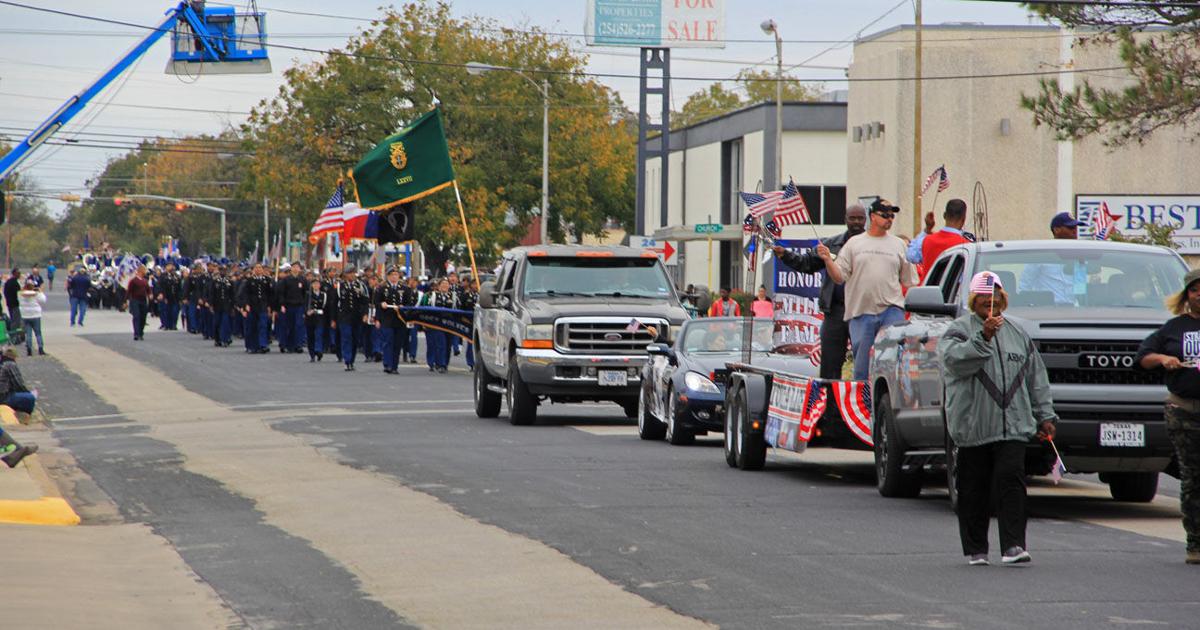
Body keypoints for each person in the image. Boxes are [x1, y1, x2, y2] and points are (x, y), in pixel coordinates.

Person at [939, 272, 1056, 566]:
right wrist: (983, 337)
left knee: (1011, 481)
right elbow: (954, 362)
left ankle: (1014, 546)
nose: (988, 301)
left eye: (994, 296)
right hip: (973, 425)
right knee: (974, 489)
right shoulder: (957, 331)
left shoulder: (1018, 334)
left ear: (1003, 299)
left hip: (1014, 425)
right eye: (982, 296)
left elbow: (1036, 378)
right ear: (972, 300)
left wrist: (1045, 415)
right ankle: (976, 549)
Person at [1134, 267, 1200, 565]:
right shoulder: (1173, 328)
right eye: (1195, 290)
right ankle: (1195, 543)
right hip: (1184, 411)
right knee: (1193, 477)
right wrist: (1163, 358)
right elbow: (1143, 358)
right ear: (1187, 295)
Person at [816, 199, 918, 380]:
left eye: (892, 215)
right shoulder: (854, 244)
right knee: (862, 367)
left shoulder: (899, 244)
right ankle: (864, 396)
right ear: (873, 217)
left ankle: (888, 395)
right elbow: (839, 276)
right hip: (861, 312)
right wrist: (828, 261)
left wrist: (912, 310)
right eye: (885, 215)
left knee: (892, 361)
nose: (889, 219)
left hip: (892, 310)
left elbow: (910, 281)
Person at [775, 203, 866, 381]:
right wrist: (785, 255)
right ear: (845, 219)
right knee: (830, 365)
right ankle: (830, 399)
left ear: (866, 220)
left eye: (860, 218)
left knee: (865, 363)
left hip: (864, 311)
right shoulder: (830, 245)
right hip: (836, 311)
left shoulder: (873, 246)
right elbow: (806, 263)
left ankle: (865, 398)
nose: (856, 222)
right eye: (852, 218)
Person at [1017, 212, 1083, 305]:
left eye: (1076, 228)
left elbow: (1080, 288)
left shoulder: (1078, 256)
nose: (1075, 231)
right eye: (1070, 228)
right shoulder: (1041, 255)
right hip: (1046, 309)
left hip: (1074, 309)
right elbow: (1025, 285)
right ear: (1056, 230)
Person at [917, 199, 971, 281]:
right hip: (951, 289)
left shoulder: (927, 240)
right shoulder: (966, 246)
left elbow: (910, 256)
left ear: (944, 215)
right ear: (963, 219)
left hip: (927, 288)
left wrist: (927, 230)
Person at [333, 267, 369, 371]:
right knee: (346, 337)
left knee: (355, 339)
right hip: (344, 316)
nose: (352, 275)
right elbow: (334, 303)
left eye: (353, 273)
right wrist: (333, 319)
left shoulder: (360, 286)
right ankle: (347, 360)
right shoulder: (340, 286)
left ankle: (352, 360)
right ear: (345, 274)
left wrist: (365, 314)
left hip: (356, 316)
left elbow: (365, 302)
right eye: (349, 273)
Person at [375, 268, 406, 374]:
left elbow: (409, 303)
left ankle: (394, 366)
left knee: (397, 343)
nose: (394, 276)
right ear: (388, 276)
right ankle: (387, 364)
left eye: (396, 274)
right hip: (387, 319)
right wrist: (381, 306)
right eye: (392, 274)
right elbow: (377, 303)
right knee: (388, 342)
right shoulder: (382, 289)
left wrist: (403, 307)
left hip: (399, 320)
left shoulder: (404, 289)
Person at [238, 263, 273, 354]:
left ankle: (263, 345)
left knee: (263, 326)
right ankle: (252, 346)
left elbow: (270, 294)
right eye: (256, 268)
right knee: (252, 326)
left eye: (260, 268)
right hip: (252, 306)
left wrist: (270, 306)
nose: (258, 269)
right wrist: (246, 304)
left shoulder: (267, 280)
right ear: (253, 270)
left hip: (263, 305)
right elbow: (245, 294)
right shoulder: (249, 281)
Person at [275, 263, 307, 354]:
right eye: (294, 267)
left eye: (297, 267)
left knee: (299, 326)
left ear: (300, 269)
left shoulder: (303, 280)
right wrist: (282, 305)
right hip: (288, 305)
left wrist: (305, 306)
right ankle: (285, 344)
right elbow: (281, 293)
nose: (295, 269)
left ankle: (298, 345)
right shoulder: (285, 280)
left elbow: (306, 294)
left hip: (299, 306)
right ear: (291, 269)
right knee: (287, 326)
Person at [18, 278, 46, 355]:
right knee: (38, 333)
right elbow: (43, 300)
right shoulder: (36, 294)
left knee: (28, 333)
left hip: (25, 315)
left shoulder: (21, 294)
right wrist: (40, 291)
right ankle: (40, 348)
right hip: (35, 315)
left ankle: (29, 349)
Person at [304, 278, 329, 362]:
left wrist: (316, 311)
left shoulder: (323, 295)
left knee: (319, 334)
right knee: (310, 336)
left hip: (319, 318)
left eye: (317, 284)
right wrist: (307, 312)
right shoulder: (308, 295)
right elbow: (305, 305)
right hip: (310, 318)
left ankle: (318, 350)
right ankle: (312, 354)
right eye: (314, 284)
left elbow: (325, 308)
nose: (316, 285)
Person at [125, 265, 151, 341]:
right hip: (135, 300)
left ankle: (141, 333)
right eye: (144, 270)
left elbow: (148, 290)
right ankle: (136, 334)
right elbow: (129, 291)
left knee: (143, 317)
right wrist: (126, 300)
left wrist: (150, 294)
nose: (145, 272)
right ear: (140, 271)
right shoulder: (133, 281)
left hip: (143, 300)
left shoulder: (145, 281)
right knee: (136, 316)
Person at [156, 262, 182, 331]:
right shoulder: (162, 276)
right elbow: (159, 286)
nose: (170, 267)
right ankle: (166, 325)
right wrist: (160, 294)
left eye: (171, 266)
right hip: (166, 296)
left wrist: (180, 297)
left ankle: (174, 325)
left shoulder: (176, 276)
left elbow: (179, 287)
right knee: (166, 311)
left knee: (175, 311)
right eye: (169, 266)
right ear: (166, 267)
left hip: (175, 297)